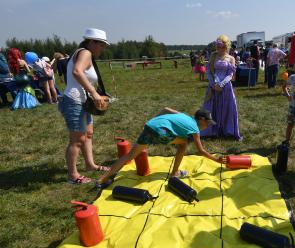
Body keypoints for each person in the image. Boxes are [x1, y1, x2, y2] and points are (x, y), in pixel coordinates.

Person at [97, 108, 226, 185]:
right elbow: (201, 151)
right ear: (201, 119)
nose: (208, 126)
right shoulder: (194, 128)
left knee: (129, 155)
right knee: (184, 144)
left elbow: (165, 109)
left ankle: (102, 179)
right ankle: (175, 173)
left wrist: (152, 122)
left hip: (149, 127)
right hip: (161, 131)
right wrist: (217, 160)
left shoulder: (183, 116)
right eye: (207, 123)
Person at [61, 28, 110, 184]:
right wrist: (94, 94)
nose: (103, 48)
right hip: (74, 101)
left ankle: (90, 165)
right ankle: (73, 175)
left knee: (88, 134)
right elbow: (77, 71)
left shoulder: (83, 52)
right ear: (92, 42)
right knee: (77, 140)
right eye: (101, 44)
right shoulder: (85, 53)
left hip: (83, 101)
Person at [201, 35, 241, 140]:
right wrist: (213, 84)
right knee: (211, 108)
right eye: (218, 47)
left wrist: (221, 84)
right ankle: (211, 131)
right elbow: (209, 71)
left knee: (227, 108)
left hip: (226, 87)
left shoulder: (231, 58)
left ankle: (226, 130)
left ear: (227, 47)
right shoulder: (213, 56)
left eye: (223, 47)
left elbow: (230, 75)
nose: (220, 49)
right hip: (213, 86)